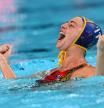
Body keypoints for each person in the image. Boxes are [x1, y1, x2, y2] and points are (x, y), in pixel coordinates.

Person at [0, 16, 102, 85]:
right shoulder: (52, 72)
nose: (63, 25)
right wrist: (4, 61)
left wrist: (101, 52)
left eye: (71, 25)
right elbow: (14, 84)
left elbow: (100, 80)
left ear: (83, 37)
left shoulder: (89, 72)